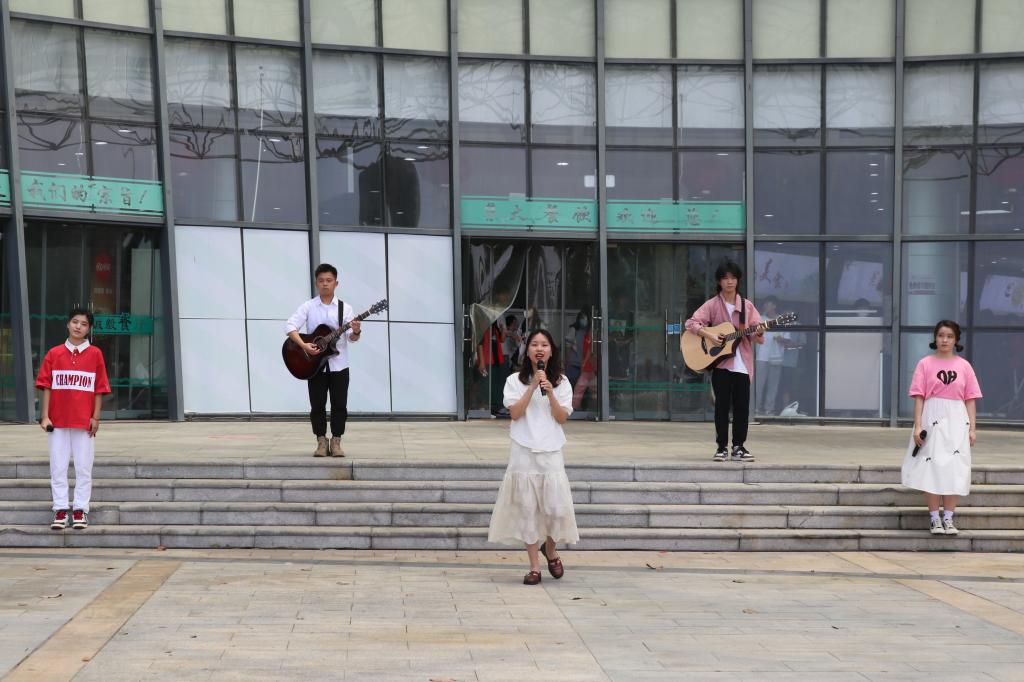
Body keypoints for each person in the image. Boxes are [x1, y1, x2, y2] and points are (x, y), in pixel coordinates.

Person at [488, 329, 579, 585]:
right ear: (527, 350)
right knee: (527, 509)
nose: (539, 349)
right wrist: (532, 387)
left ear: (551, 351)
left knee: (556, 509)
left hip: (551, 450)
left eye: (544, 345)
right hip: (524, 450)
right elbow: (515, 413)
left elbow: (561, 418)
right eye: (535, 344)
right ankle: (534, 567)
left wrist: (550, 392)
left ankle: (550, 549)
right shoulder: (514, 381)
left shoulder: (562, 382)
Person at [901, 320, 982, 536]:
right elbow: (919, 397)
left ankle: (949, 518)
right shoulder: (925, 364)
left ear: (956, 340)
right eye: (941, 335)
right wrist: (918, 425)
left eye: (949, 336)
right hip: (932, 418)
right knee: (932, 466)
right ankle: (934, 518)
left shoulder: (964, 366)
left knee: (954, 468)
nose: (944, 340)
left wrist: (972, 428)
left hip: (957, 420)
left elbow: (970, 399)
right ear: (935, 338)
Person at [36, 307, 111, 531]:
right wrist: (45, 416)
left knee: (84, 468)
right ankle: (60, 509)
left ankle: (80, 510)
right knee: (57, 467)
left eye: (84, 324)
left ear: (89, 329)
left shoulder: (95, 354)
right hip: (57, 422)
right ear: (68, 324)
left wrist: (96, 417)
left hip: (84, 422)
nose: (78, 326)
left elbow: (99, 388)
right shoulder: (54, 353)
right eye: (75, 322)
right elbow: (46, 386)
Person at [685, 261, 765, 462]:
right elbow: (691, 323)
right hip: (721, 365)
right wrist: (710, 335)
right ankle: (721, 447)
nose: (729, 282)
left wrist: (759, 331)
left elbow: (755, 334)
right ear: (719, 282)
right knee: (721, 407)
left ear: (738, 281)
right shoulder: (712, 304)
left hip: (742, 365)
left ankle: (739, 447)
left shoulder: (747, 306)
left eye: (733, 278)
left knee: (742, 407)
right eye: (725, 278)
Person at [285, 263, 361, 457]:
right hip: (314, 366)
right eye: (321, 281)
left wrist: (356, 331)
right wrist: (304, 345)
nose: (325, 284)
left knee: (339, 405)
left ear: (336, 283)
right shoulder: (308, 306)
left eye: (329, 280)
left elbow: (351, 338)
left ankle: (336, 442)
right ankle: (321, 441)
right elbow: (290, 326)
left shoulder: (345, 308)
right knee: (317, 405)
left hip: (339, 366)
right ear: (316, 283)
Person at [754, 296, 787, 415]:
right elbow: (754, 336)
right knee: (759, 385)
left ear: (774, 306)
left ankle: (769, 408)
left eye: (768, 304)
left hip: (776, 357)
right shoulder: (760, 319)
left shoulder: (782, 320)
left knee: (773, 385)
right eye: (765, 304)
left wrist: (780, 339)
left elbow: (787, 340)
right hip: (761, 357)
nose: (765, 306)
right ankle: (756, 407)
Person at [565, 309, 596, 410]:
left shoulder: (589, 333)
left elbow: (589, 350)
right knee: (574, 387)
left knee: (583, 389)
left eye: (585, 317)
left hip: (585, 366)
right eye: (582, 317)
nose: (584, 320)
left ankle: (583, 408)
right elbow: (568, 347)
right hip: (574, 364)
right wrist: (567, 361)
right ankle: (574, 408)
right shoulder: (574, 330)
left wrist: (585, 362)